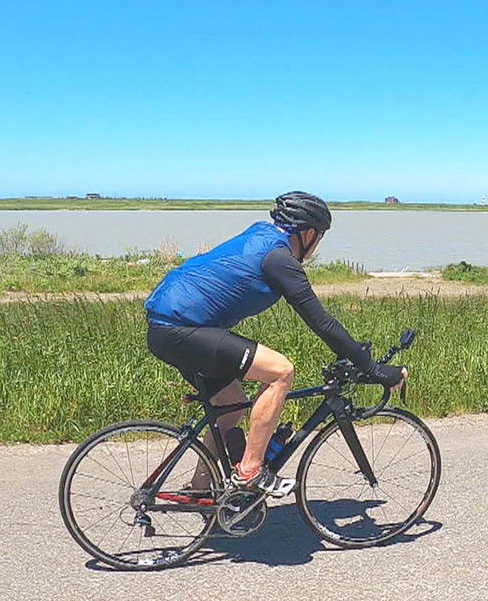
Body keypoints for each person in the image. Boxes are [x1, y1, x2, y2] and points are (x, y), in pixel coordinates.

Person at [144, 191, 407, 497]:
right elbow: (321, 321)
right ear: (308, 233)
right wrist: (374, 369)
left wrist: (352, 351)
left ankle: (201, 490)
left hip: (167, 328)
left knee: (229, 409)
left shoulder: (261, 235)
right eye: (319, 237)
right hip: (181, 328)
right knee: (280, 371)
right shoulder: (279, 258)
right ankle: (250, 471)